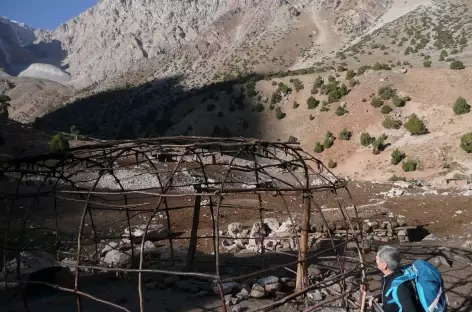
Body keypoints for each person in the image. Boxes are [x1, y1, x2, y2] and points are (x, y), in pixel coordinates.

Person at [370, 245, 422, 312]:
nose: (375, 260)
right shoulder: (387, 277)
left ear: (384, 265)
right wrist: (378, 298)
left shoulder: (401, 286)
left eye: (377, 259)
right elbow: (391, 297)